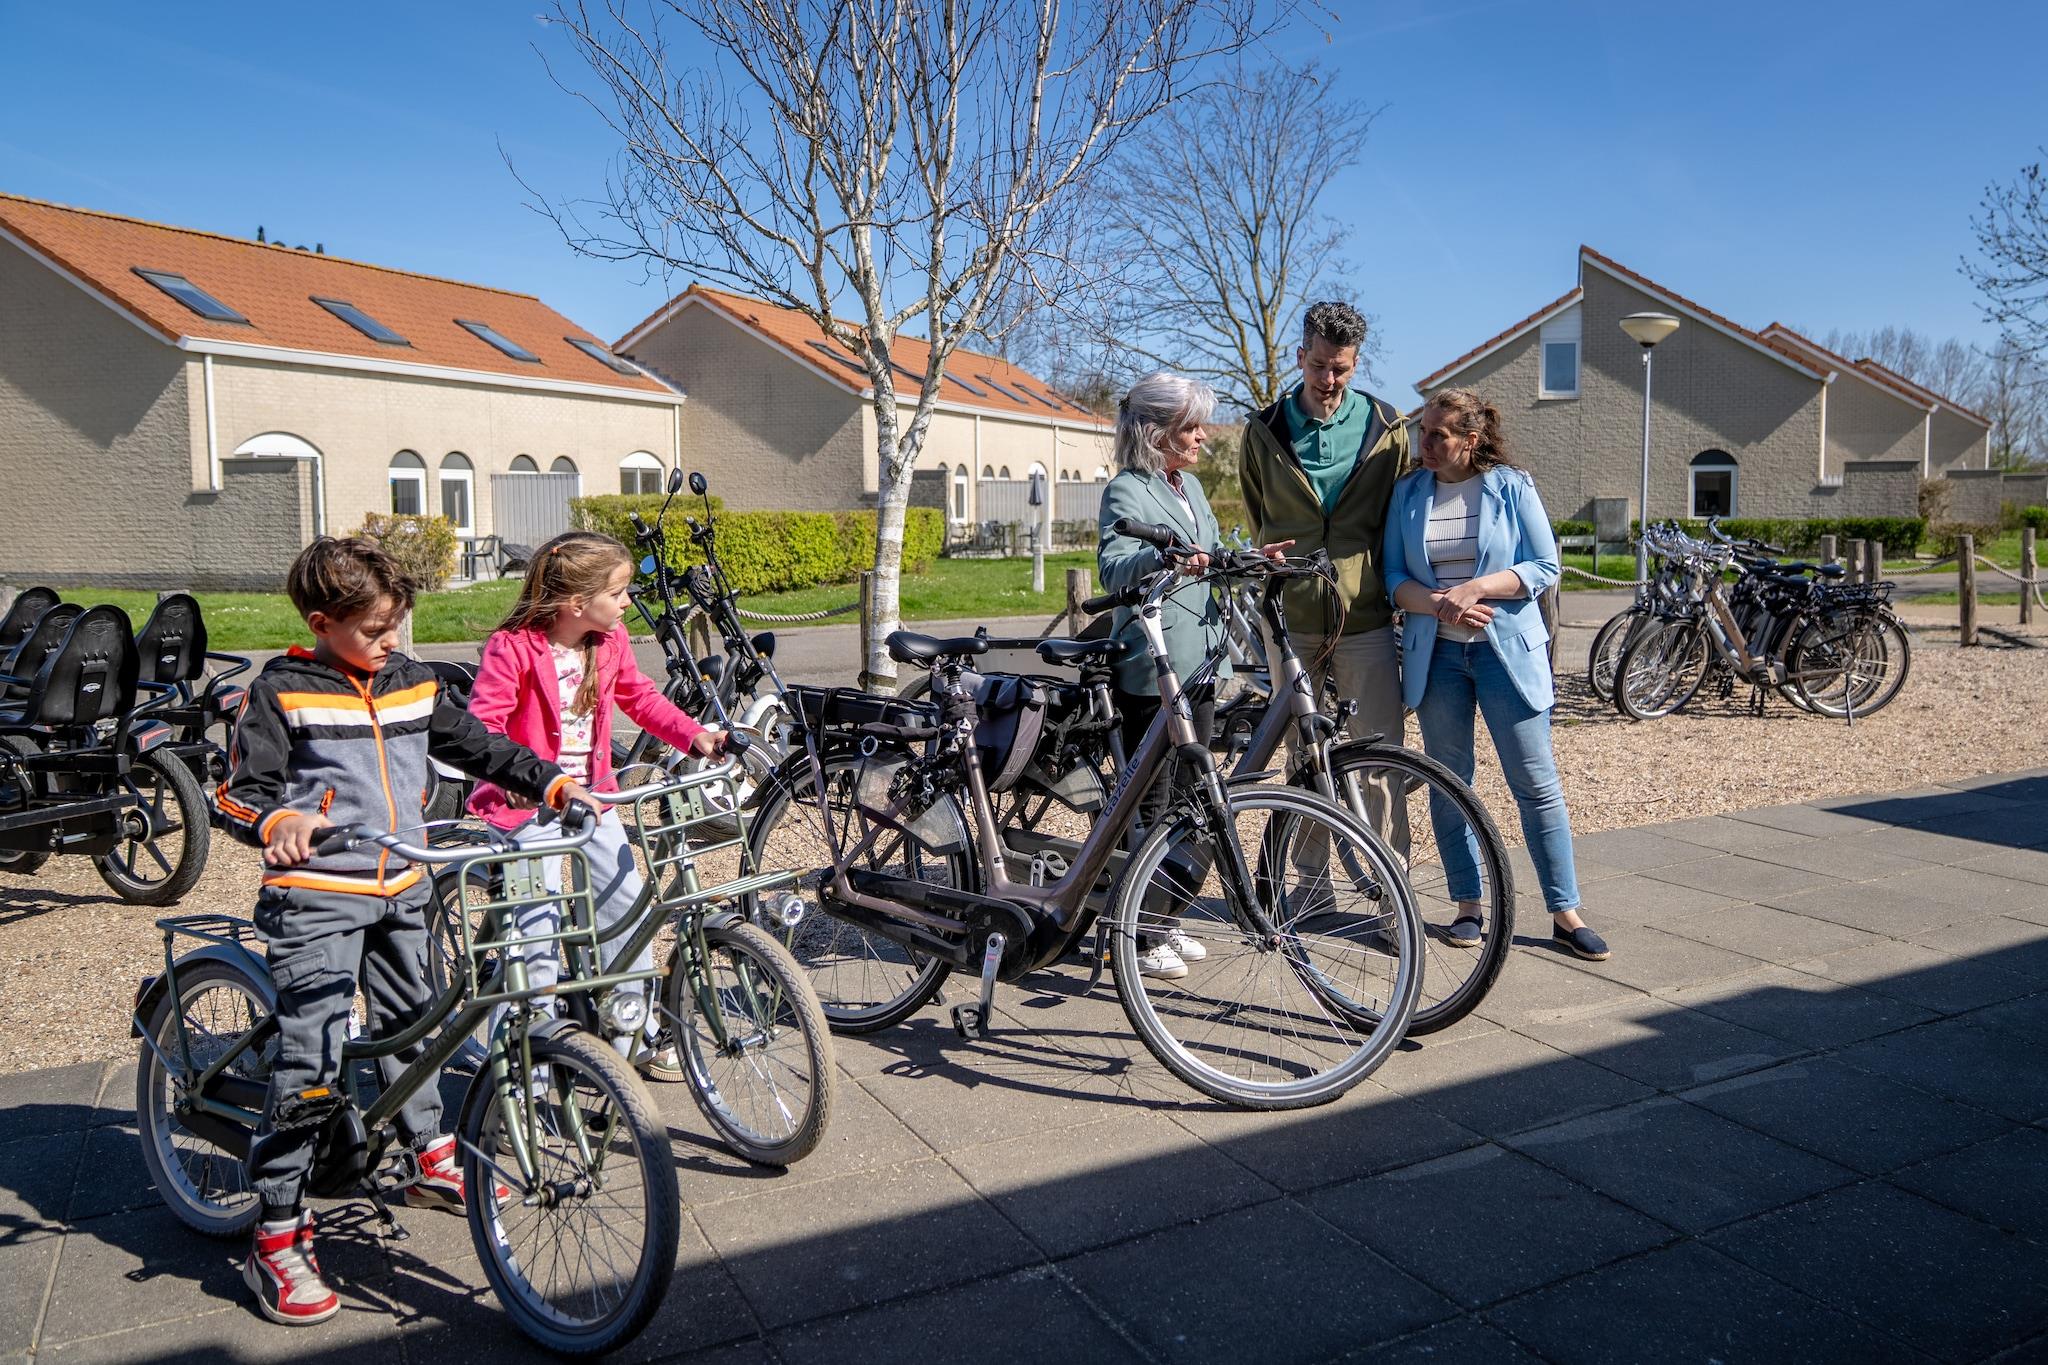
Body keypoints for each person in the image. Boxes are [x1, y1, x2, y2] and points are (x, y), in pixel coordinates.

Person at [217, 537, 592, 1326]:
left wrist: (549, 782)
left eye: (397, 624)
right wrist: (278, 821)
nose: (391, 640)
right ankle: (276, 1229)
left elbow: (478, 745)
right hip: (318, 895)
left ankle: (429, 1154)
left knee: (416, 1025)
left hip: (401, 882)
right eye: (374, 629)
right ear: (322, 624)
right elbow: (240, 792)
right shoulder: (281, 690)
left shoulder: (412, 681)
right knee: (311, 1062)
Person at [467, 530, 726, 1075]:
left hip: (594, 802)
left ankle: (631, 1029)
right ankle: (525, 1063)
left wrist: (694, 735)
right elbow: (483, 727)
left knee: (625, 909)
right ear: (576, 602)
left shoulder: (610, 641)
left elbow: (640, 697)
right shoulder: (512, 648)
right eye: (617, 592)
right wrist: (510, 776)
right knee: (535, 934)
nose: (627, 602)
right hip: (528, 808)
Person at [1383, 388, 1610, 961]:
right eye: (1422, 431)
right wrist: (1441, 605)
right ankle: (1468, 905)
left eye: (1438, 434)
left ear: (1471, 439)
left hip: (1506, 653)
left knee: (1535, 784)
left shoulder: (1512, 486)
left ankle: (1565, 913)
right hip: (1437, 657)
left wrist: (1478, 588)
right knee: (1450, 783)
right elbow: (1393, 578)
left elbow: (1545, 565)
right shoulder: (1407, 493)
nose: (1424, 443)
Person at [1098, 372, 1290, 978]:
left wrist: (1253, 560)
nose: (1203, 436)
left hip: (1203, 659)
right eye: (1191, 427)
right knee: (1150, 801)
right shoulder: (1126, 490)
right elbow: (1114, 567)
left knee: (1190, 798)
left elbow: (1211, 560)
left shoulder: (1192, 488)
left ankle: (1164, 914)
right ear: (1156, 432)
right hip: (1154, 665)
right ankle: (1136, 933)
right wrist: (1159, 555)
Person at [1239, 301, 1411, 850]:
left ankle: (1390, 882)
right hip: (1290, 618)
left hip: (1365, 615)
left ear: (1356, 363)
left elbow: (1397, 516)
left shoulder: (1388, 427)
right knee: (1303, 753)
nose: (1328, 380)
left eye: (1340, 368)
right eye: (1318, 366)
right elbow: (1258, 517)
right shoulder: (1263, 430)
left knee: (1381, 752)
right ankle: (1310, 884)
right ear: (1300, 357)